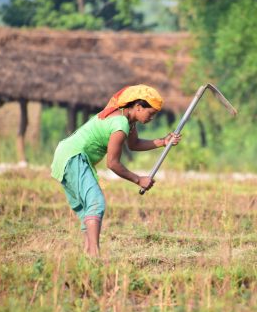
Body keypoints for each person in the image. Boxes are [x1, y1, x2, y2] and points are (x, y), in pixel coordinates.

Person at [51, 84, 181, 256]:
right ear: (138, 107)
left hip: (66, 155)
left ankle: (88, 254)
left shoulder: (127, 121)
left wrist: (162, 142)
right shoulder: (120, 124)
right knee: (96, 203)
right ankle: (95, 255)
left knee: (87, 208)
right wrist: (138, 179)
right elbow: (112, 163)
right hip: (73, 157)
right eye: (150, 114)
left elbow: (134, 145)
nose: (151, 119)